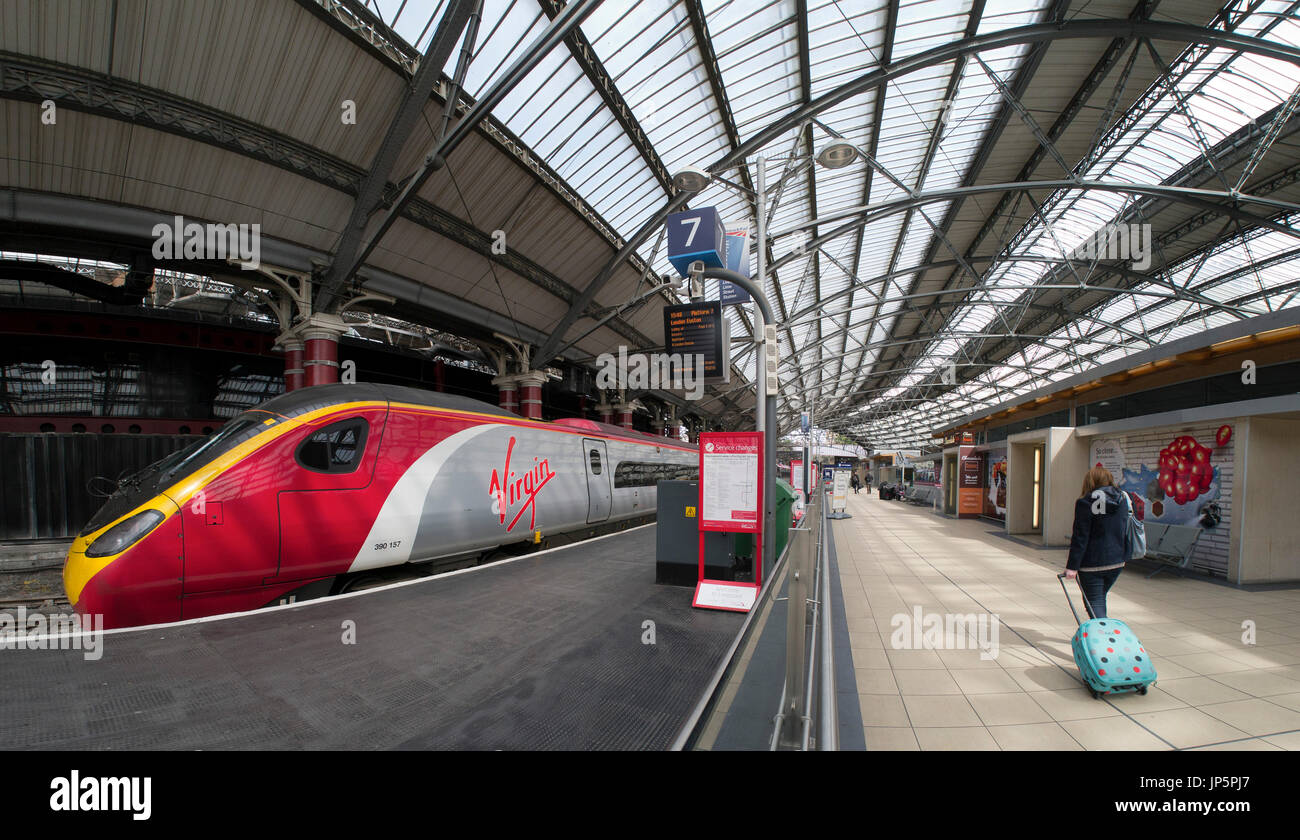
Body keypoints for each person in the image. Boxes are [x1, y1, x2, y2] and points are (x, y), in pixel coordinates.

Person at [1064, 465, 1128, 619]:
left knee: (1094, 602)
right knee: (1099, 598)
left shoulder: (1085, 502)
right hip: (1117, 560)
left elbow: (1080, 536)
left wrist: (1072, 567)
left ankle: (1105, 638)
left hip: (1092, 564)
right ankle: (1103, 634)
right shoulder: (1123, 499)